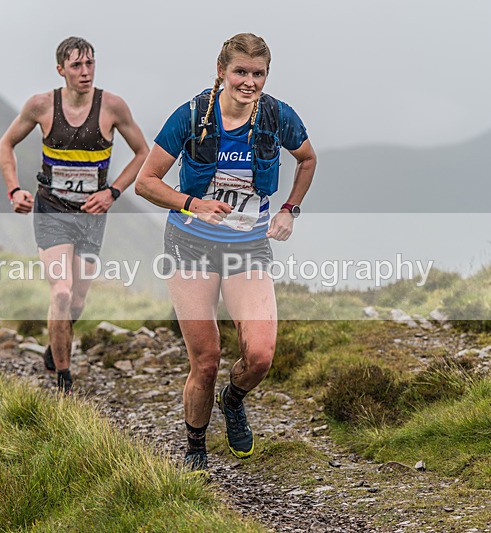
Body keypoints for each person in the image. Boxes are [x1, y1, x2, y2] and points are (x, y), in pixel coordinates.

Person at [135, 33, 316, 471]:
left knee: (260, 355)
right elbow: (147, 182)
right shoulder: (192, 115)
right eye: (240, 72)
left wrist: (290, 209)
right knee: (207, 359)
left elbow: (307, 159)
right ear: (222, 71)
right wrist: (192, 203)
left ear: (266, 76)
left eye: (257, 74)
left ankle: (232, 401)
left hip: (248, 247)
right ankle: (195, 448)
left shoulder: (277, 116)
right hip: (190, 245)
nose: (249, 82)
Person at [0, 36, 149, 396]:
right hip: (51, 209)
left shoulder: (112, 107)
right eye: (77, 65)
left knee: (77, 300)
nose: (85, 72)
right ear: (60, 69)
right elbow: (6, 143)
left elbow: (143, 152)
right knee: (62, 293)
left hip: (91, 215)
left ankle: (57, 340)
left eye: (90, 64)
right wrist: (14, 189)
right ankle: (64, 379)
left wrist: (112, 193)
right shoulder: (41, 105)